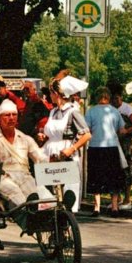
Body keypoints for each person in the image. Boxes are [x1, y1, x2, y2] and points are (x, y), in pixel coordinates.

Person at [0, 99, 48, 232]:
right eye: (7, 115)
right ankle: (29, 220)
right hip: (3, 177)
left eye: (14, 115)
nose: (11, 118)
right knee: (17, 196)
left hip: (24, 175)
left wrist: (52, 161)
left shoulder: (25, 138)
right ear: (0, 118)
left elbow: (40, 157)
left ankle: (55, 214)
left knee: (39, 195)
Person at [39, 73, 92, 212]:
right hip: (50, 153)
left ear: (56, 94)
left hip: (66, 154)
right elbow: (51, 132)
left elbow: (86, 134)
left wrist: (72, 149)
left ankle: (68, 221)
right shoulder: (53, 112)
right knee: (49, 191)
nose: (49, 96)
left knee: (67, 191)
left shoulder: (72, 112)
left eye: (51, 93)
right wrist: (43, 136)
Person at [85, 87, 127, 217]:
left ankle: (96, 207)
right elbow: (122, 130)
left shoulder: (90, 111)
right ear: (108, 97)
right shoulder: (114, 111)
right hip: (111, 147)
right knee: (113, 177)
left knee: (96, 176)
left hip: (95, 147)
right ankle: (114, 206)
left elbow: (87, 130)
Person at [109, 84, 132, 210]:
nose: (115, 101)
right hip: (113, 143)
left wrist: (126, 131)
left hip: (126, 144)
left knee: (127, 170)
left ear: (120, 98)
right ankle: (117, 199)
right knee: (114, 170)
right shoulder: (109, 108)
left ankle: (127, 199)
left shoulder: (127, 109)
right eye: (113, 99)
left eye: (117, 98)